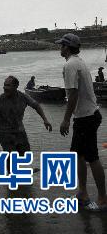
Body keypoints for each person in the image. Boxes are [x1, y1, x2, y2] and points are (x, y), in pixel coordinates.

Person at [57, 33, 107, 210]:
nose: (60, 48)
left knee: (92, 157)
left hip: (86, 118)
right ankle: (82, 192)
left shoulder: (71, 65)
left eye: (62, 45)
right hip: (87, 116)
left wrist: (65, 120)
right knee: (78, 156)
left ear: (67, 47)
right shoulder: (78, 62)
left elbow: (73, 95)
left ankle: (102, 200)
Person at [0, 75, 52, 155]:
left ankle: (13, 165)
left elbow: (36, 105)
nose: (5, 87)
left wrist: (45, 120)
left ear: (16, 86)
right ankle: (8, 166)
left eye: (8, 85)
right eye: (4, 85)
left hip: (19, 130)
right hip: (3, 131)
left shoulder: (23, 97)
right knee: (11, 154)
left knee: (25, 154)